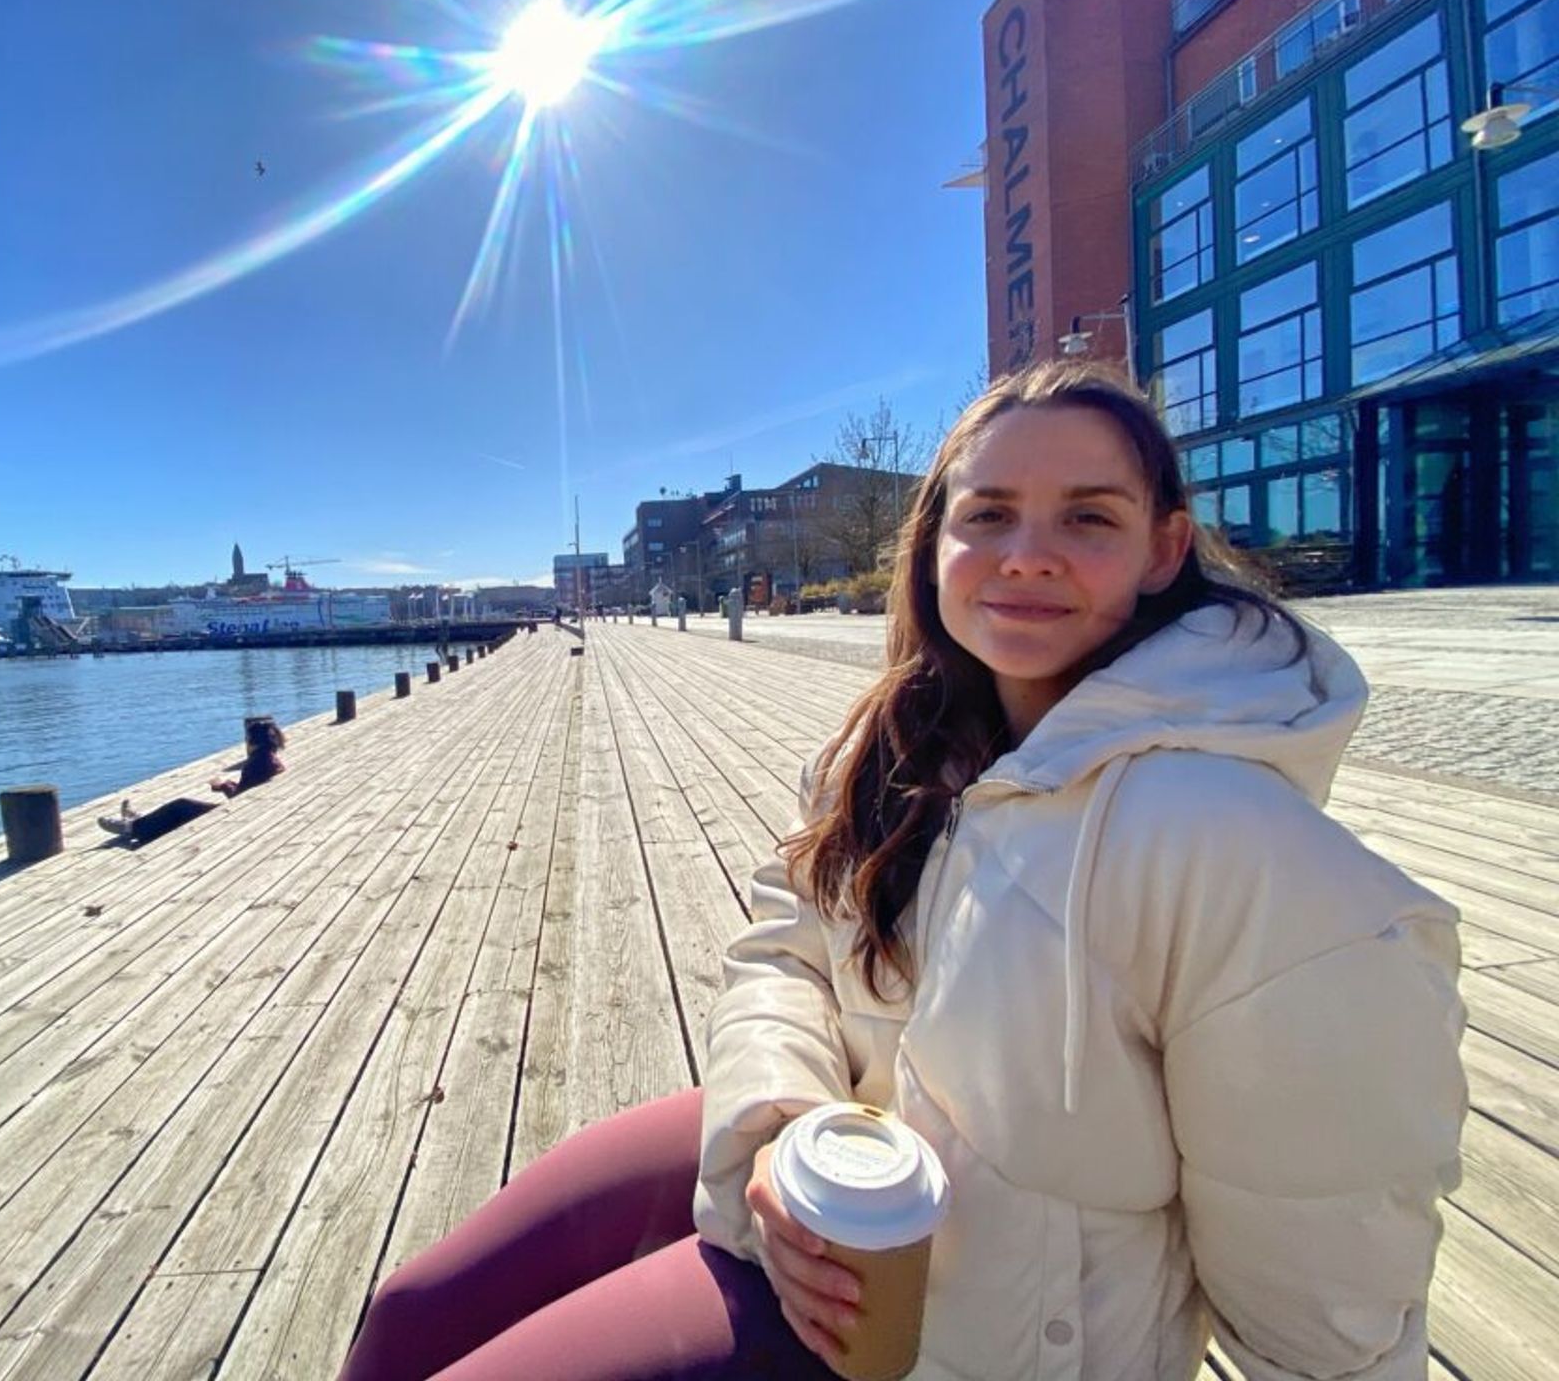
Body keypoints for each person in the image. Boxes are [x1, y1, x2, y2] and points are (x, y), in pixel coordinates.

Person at [339, 362, 1467, 1381]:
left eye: (1087, 517)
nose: (1028, 552)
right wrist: (776, 1126)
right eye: (989, 515)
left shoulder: (1237, 850)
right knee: (407, 1316)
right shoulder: (899, 745)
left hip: (942, 1331)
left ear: (1166, 547)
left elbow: (1332, 1314)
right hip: (836, 1154)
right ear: (934, 545)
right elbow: (787, 939)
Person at [98, 718, 285, 845]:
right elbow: (247, 792)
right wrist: (227, 784)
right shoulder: (270, 759)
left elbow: (238, 798)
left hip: (237, 818)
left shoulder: (256, 763)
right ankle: (139, 820)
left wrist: (222, 785)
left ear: (252, 740)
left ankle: (131, 828)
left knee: (181, 806)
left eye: (246, 738)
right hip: (251, 811)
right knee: (182, 808)